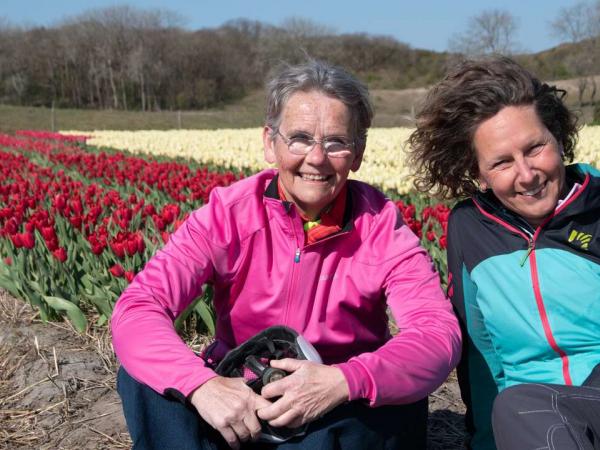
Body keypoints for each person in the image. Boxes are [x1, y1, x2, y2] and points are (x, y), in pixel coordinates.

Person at [111, 59, 461, 450]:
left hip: (333, 404)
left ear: (358, 154)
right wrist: (203, 385)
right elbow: (139, 307)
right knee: (145, 375)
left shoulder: (381, 227)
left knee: (393, 403)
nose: (316, 158)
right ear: (269, 142)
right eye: (299, 138)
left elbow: (437, 335)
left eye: (336, 142)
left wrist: (347, 380)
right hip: (238, 393)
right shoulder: (227, 215)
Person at [408, 56, 600, 450]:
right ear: (478, 172)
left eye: (535, 148)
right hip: (532, 422)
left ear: (559, 138)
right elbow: (481, 354)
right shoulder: (469, 227)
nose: (527, 174)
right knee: (521, 406)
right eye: (502, 162)